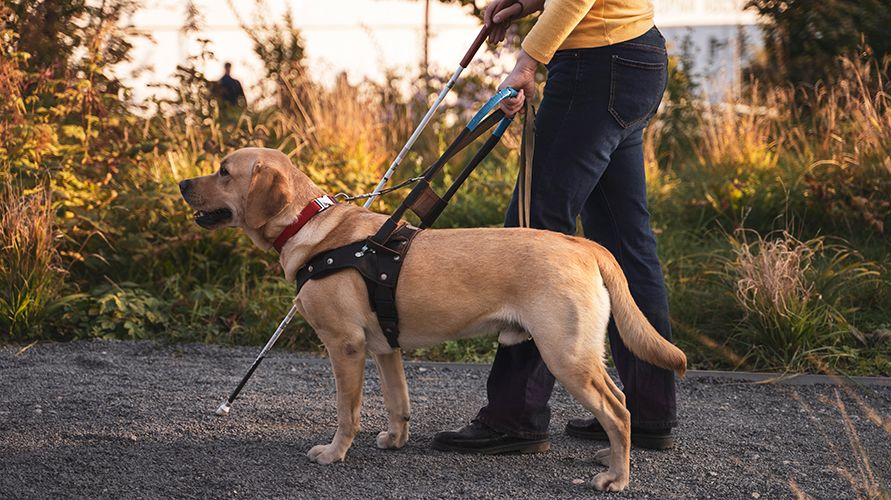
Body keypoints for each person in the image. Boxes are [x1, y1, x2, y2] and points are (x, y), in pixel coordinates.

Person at [432, 0, 679, 454]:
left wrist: (527, 62)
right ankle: (648, 409)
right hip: (635, 55)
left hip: (595, 68)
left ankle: (515, 415)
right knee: (625, 243)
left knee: (531, 240)